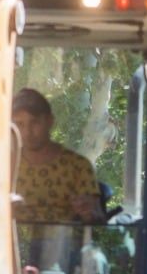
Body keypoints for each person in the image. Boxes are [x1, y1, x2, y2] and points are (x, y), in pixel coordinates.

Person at [11, 88, 102, 223]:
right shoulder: (5, 167)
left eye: (34, 122)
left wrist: (89, 212)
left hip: (64, 237)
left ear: (50, 121)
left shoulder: (78, 166)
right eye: (20, 124)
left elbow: (98, 222)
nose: (27, 132)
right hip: (12, 237)